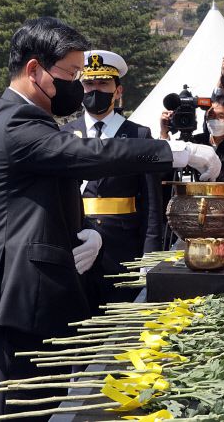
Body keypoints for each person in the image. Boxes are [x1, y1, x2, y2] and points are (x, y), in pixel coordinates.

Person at [0, 16, 220, 421]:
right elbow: (86, 154)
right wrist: (175, 152)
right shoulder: (15, 119)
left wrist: (83, 232)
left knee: (42, 411)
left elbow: (39, 201)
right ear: (35, 70)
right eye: (71, 75)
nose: (78, 86)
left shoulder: (28, 120)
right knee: (14, 417)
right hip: (12, 304)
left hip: (33, 302)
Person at [62, 50, 163, 309]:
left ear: (118, 91)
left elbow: (152, 203)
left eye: (103, 84)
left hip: (123, 249)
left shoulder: (138, 135)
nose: (95, 90)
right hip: (76, 246)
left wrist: (150, 255)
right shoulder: (63, 134)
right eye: (89, 84)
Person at [160, 94, 224, 182]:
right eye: (211, 115)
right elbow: (165, 172)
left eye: (221, 116)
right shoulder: (194, 142)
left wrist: (214, 170)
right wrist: (164, 133)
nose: (215, 120)